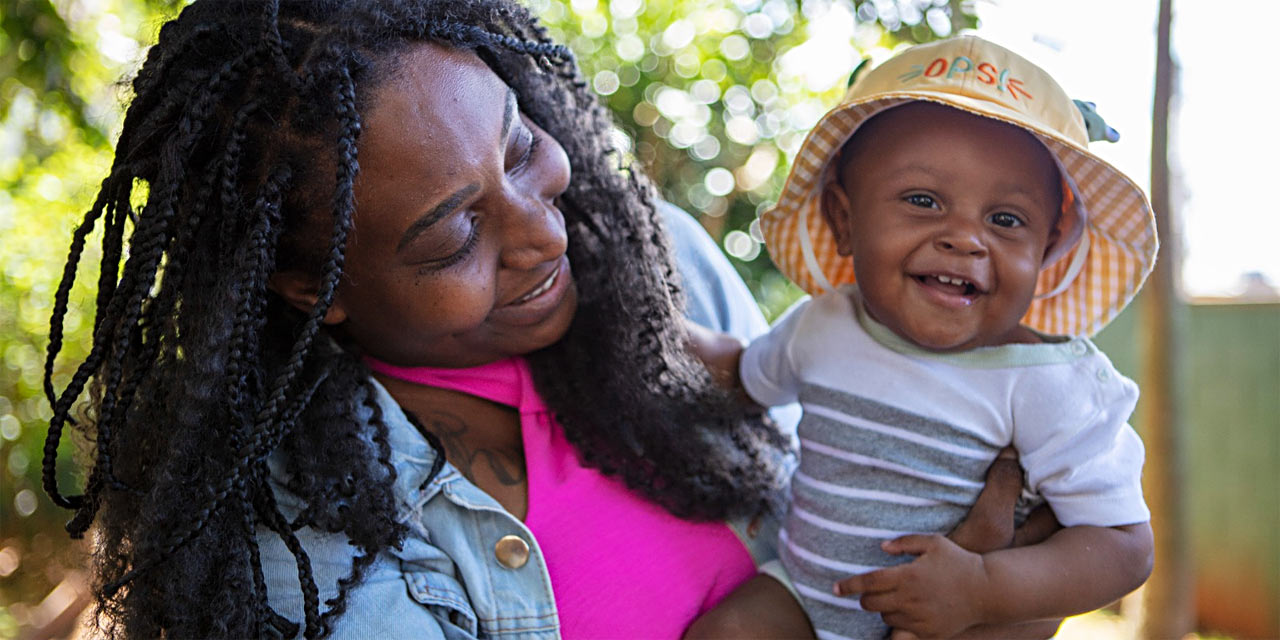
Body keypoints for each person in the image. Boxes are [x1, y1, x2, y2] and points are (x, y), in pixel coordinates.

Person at [41, 3, 1036, 637]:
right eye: (453, 235)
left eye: (520, 150)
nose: (542, 236)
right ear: (314, 288)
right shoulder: (298, 551)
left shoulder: (670, 266)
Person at [688, 37, 1157, 639]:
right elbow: (741, 374)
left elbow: (1124, 545)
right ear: (843, 218)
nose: (965, 239)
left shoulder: (1048, 380)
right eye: (922, 200)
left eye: (1006, 220)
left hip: (955, 625)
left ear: (1050, 246)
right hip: (802, 600)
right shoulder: (825, 323)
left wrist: (985, 591)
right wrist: (637, 315)